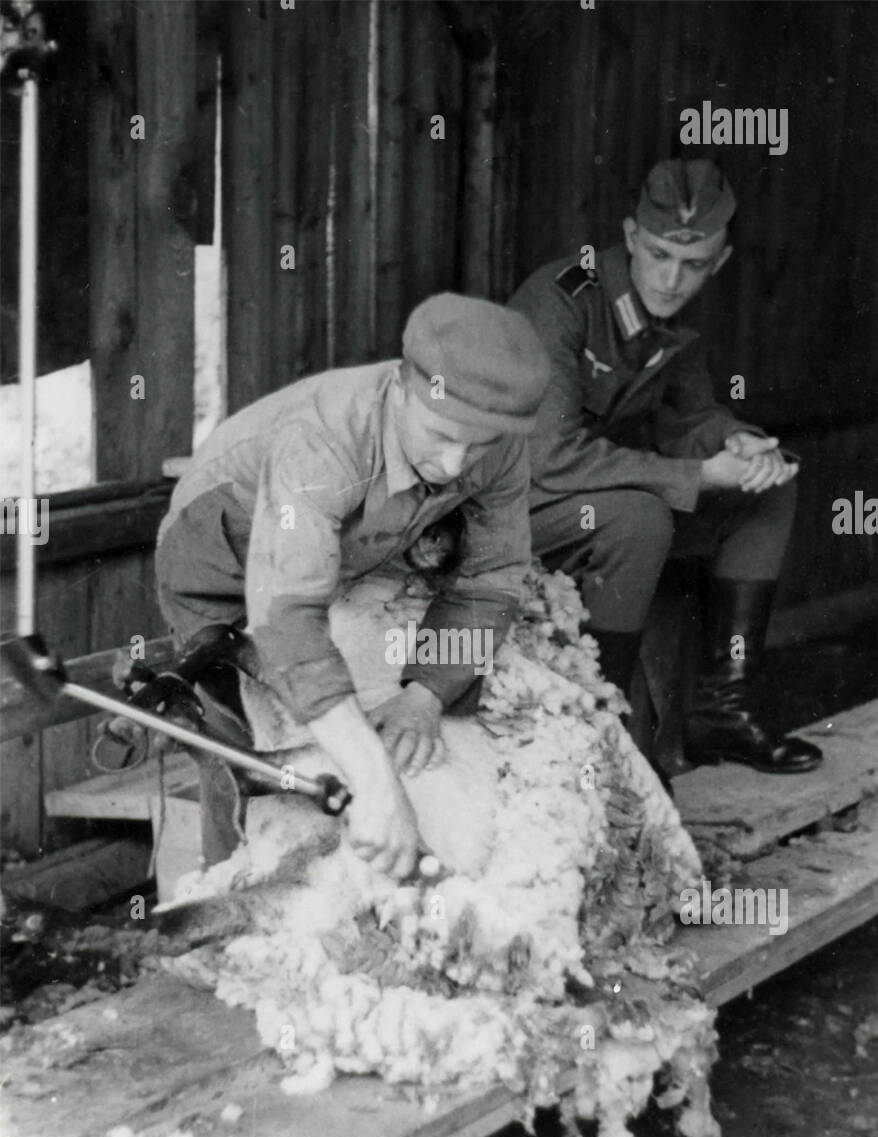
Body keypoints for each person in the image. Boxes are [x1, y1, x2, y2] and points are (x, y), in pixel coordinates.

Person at [155, 294, 550, 878]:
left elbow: (488, 580)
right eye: (440, 434)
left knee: (367, 716)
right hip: (221, 567)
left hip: (343, 558)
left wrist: (427, 694)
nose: (454, 463)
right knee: (240, 749)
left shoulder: (493, 442)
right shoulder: (323, 438)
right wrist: (376, 784)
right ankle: (228, 901)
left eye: (479, 445)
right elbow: (288, 619)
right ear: (401, 387)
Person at [508, 158, 821, 774]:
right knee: (641, 517)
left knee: (769, 489)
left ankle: (721, 713)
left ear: (719, 261)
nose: (673, 279)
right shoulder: (564, 297)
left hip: (590, 506)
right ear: (630, 238)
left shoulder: (669, 319)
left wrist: (738, 445)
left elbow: (689, 421)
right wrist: (698, 477)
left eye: (695, 264)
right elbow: (547, 458)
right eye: (658, 255)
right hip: (514, 505)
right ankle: (607, 736)